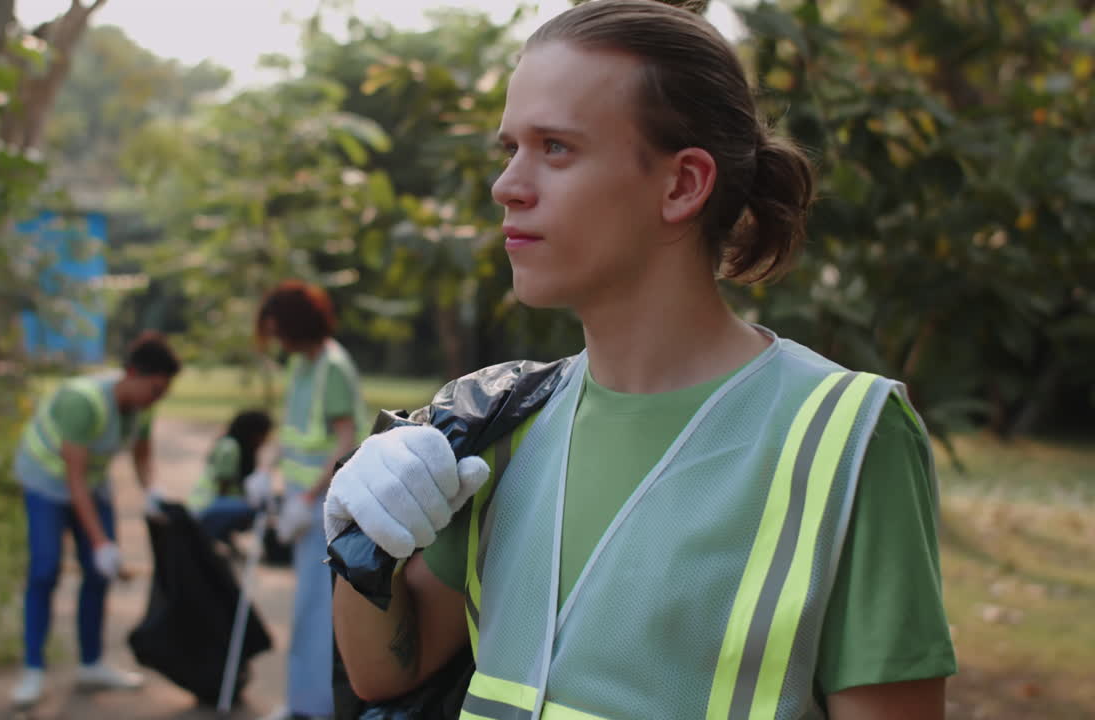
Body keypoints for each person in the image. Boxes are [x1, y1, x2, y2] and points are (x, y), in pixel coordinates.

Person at [326, 2, 957, 719]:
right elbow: (383, 672)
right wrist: (361, 535)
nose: (507, 185)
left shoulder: (848, 436)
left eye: (555, 147)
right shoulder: (501, 423)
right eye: (510, 149)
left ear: (683, 184)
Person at [10, 331, 180, 707]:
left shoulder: (142, 406)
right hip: (46, 482)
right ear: (132, 373)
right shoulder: (82, 401)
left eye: (163, 392)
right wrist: (101, 541)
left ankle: (91, 662)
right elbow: (74, 482)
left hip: (91, 484)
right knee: (44, 569)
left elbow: (141, 456)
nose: (157, 398)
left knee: (98, 572)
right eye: (154, 389)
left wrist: (151, 490)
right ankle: (33, 670)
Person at [257, 280, 366, 720]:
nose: (276, 340)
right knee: (304, 609)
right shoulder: (301, 365)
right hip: (304, 505)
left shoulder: (332, 367)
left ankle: (319, 707)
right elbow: (292, 432)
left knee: (319, 613)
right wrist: (264, 472)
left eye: (277, 330)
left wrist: (304, 498)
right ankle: (301, 703)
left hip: (327, 510)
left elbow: (345, 441)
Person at [186, 409, 275, 544]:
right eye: (264, 434)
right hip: (205, 506)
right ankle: (215, 539)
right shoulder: (230, 448)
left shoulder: (240, 448)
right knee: (256, 508)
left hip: (213, 504)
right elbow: (223, 489)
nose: (266, 439)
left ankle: (221, 540)